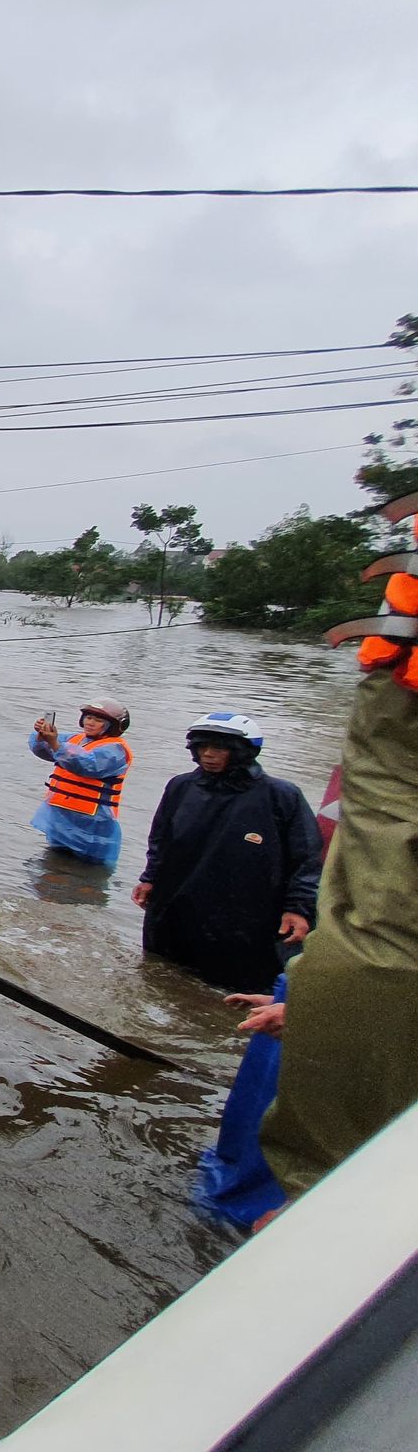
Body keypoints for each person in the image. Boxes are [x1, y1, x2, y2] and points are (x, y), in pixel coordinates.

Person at [258, 496, 418, 1208]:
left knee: (380, 921)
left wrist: (297, 913)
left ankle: (324, 1203)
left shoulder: (284, 801)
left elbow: (318, 866)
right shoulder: (184, 790)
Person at [133, 712, 320, 994]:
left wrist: (298, 909)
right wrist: (149, 878)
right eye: (202, 747)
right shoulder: (181, 786)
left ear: (243, 752)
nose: (208, 754)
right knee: (164, 979)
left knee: (238, 989)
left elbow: (306, 859)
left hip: (247, 914)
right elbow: (160, 839)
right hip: (179, 903)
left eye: (218, 748)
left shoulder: (281, 795)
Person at [27, 698, 134, 865]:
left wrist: (55, 743)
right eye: (88, 718)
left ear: (112, 726)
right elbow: (44, 750)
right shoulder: (75, 739)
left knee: (88, 875)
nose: (90, 723)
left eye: (98, 720)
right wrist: (42, 737)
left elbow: (87, 765)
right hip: (61, 817)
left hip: (93, 823)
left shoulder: (117, 750)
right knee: (52, 868)